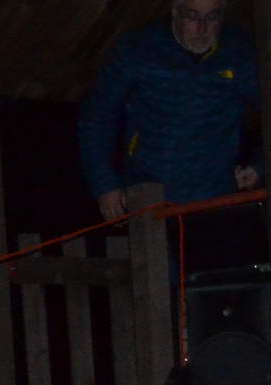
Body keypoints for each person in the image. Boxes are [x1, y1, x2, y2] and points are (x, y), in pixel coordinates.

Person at [78, 2, 260, 222]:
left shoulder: (239, 52)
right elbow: (97, 117)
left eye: (212, 17)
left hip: (217, 197)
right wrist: (105, 185)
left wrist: (259, 166)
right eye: (192, 16)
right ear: (175, 12)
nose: (202, 28)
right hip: (148, 196)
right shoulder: (138, 49)